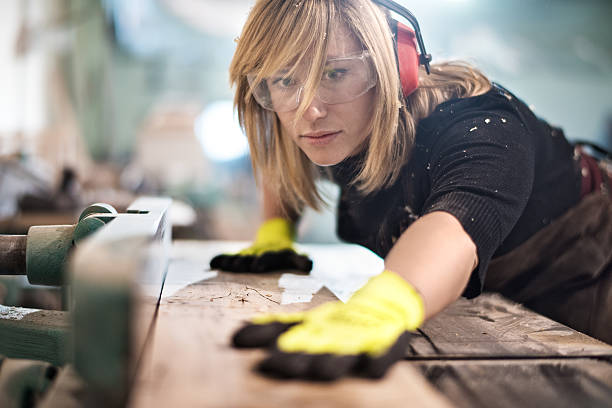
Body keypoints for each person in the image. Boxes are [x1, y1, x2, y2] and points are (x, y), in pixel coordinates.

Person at [210, 0, 612, 380]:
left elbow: (454, 230)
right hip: (491, 292)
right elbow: (283, 161)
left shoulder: (481, 128)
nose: (307, 110)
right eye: (284, 80)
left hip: (591, 268)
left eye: (334, 73)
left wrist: (386, 303)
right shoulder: (331, 126)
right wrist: (275, 233)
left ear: (393, 68)